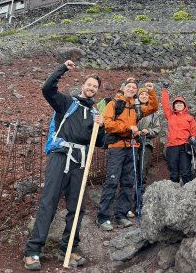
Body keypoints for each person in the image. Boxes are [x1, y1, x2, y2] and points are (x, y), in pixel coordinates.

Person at [23, 60, 105, 271]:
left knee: (77, 207)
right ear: (83, 85)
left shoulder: (94, 114)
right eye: (89, 84)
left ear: (97, 91)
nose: (91, 88)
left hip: (80, 161)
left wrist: (101, 127)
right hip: (60, 156)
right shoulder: (66, 103)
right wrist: (63, 69)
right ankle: (33, 251)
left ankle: (69, 249)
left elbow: (100, 143)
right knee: (49, 202)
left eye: (95, 87)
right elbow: (47, 88)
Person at [96, 78, 158, 231]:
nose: (131, 89)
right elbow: (108, 124)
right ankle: (103, 217)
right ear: (123, 88)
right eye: (129, 86)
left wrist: (151, 92)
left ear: (136, 91)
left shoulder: (137, 107)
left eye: (134, 87)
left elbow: (153, 108)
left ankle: (121, 214)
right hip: (116, 147)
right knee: (112, 180)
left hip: (132, 147)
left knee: (127, 182)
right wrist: (128, 128)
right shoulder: (113, 104)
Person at [128, 86, 161, 217]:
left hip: (146, 144)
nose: (143, 96)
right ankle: (129, 206)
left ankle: (139, 205)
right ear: (138, 96)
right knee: (131, 173)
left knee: (142, 173)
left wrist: (149, 131)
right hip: (132, 143)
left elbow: (158, 128)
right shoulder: (131, 109)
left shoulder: (153, 113)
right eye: (141, 94)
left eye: (146, 95)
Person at [162, 83, 196, 184]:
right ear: (173, 106)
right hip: (172, 147)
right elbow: (165, 105)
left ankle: (188, 194)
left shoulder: (189, 117)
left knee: (186, 172)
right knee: (174, 173)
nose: (178, 105)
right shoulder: (170, 116)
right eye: (176, 103)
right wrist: (164, 90)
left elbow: (194, 130)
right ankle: (174, 194)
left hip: (184, 146)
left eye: (181, 103)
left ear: (184, 105)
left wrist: (193, 137)